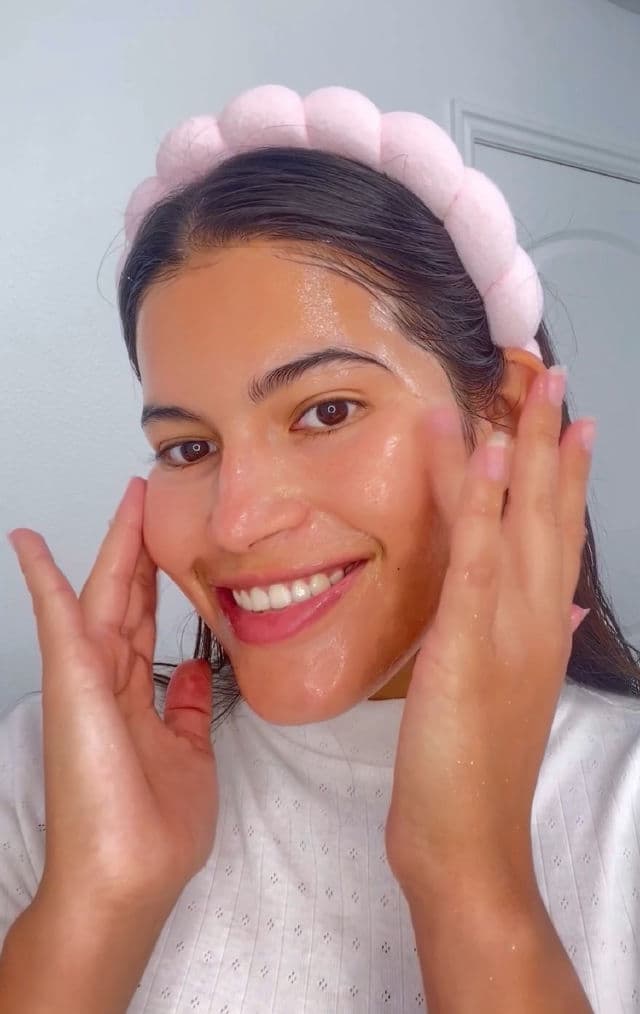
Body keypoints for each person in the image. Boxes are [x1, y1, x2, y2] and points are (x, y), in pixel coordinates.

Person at [1, 85, 639, 1014]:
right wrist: (94, 905)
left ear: (504, 415)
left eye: (327, 411)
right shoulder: (52, 772)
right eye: (188, 448)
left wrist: (472, 882)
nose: (235, 523)